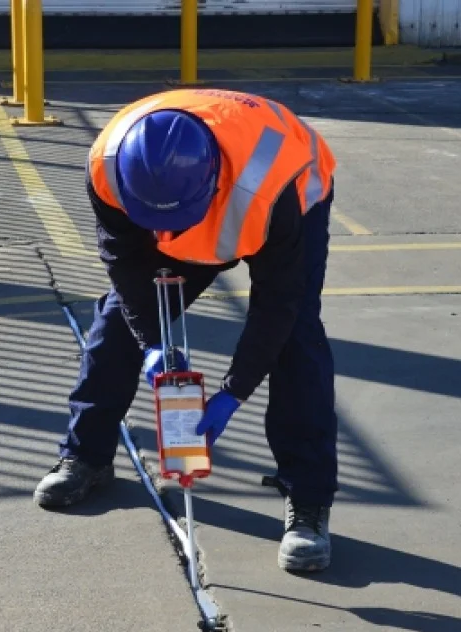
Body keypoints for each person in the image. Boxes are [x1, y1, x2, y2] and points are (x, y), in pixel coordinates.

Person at [34, 88, 338, 572]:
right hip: (210, 202)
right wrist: (150, 342)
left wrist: (233, 392)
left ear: (213, 185)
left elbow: (276, 305)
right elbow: (124, 264)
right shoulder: (107, 166)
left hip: (289, 201)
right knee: (117, 321)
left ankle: (308, 498)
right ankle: (85, 456)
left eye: (176, 223)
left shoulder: (270, 185)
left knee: (297, 338)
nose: (170, 236)